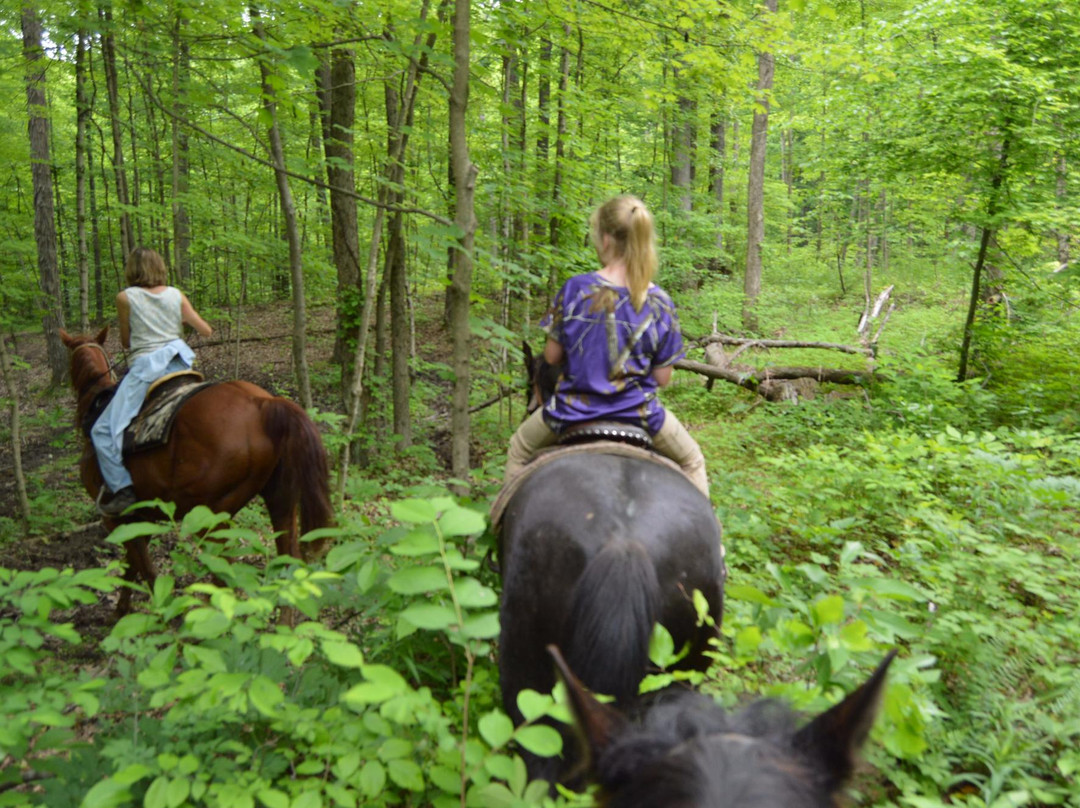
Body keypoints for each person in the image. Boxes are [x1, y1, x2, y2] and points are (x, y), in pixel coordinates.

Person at [505, 195, 709, 498]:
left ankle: (494, 537)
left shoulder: (574, 288)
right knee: (693, 460)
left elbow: (551, 356)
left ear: (605, 239)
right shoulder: (660, 302)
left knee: (518, 450)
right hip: (640, 414)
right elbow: (664, 378)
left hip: (570, 412)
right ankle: (712, 546)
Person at [91, 247, 213, 516]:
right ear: (160, 267)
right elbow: (205, 330)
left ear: (132, 269)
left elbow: (126, 341)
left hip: (147, 368)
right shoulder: (176, 294)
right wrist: (177, 318)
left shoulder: (125, 297)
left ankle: (122, 489)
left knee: (101, 431)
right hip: (182, 363)